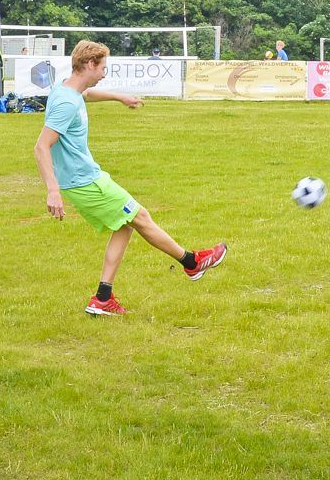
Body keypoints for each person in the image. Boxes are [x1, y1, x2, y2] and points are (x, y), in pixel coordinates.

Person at [34, 40, 227, 316]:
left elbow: (87, 95)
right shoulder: (66, 101)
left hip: (85, 178)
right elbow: (41, 146)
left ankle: (103, 298)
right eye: (103, 67)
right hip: (86, 182)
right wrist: (52, 191)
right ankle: (191, 262)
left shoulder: (68, 90)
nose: (104, 73)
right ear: (90, 65)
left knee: (123, 226)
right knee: (140, 216)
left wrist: (120, 97)